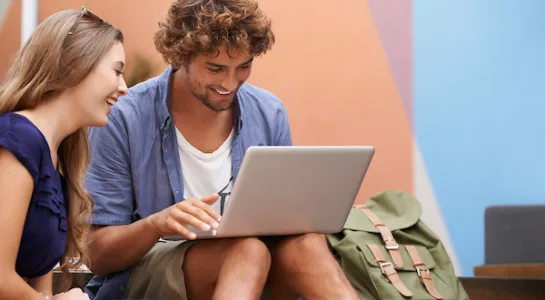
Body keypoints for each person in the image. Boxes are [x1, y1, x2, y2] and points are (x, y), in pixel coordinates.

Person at [84, 0, 359, 299]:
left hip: (253, 266)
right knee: (247, 250)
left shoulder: (269, 113)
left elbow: (285, 226)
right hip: (145, 273)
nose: (230, 82)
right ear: (180, 57)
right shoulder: (125, 117)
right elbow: (97, 255)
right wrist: (156, 224)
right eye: (215, 68)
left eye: (244, 66)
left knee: (307, 243)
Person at [0, 6, 128, 300]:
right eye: (117, 71)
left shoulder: (55, 157)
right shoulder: (17, 138)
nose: (124, 88)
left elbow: (37, 286)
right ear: (75, 64)